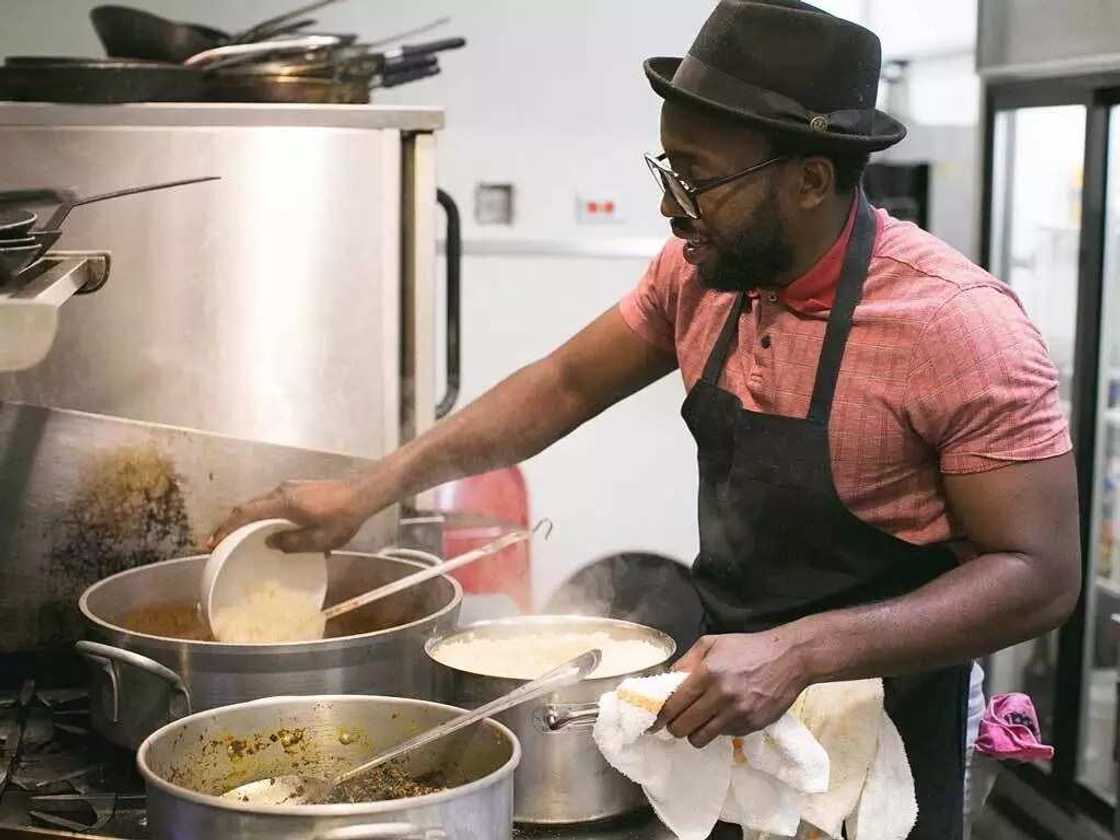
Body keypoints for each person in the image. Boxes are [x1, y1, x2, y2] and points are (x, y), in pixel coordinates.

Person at [210, 1, 1080, 836]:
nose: (671, 206)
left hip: (887, 727)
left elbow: (1040, 574)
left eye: (700, 178)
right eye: (668, 168)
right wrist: (367, 490)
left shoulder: (957, 326)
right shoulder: (697, 275)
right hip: (731, 703)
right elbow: (561, 384)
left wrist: (804, 652)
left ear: (813, 179)